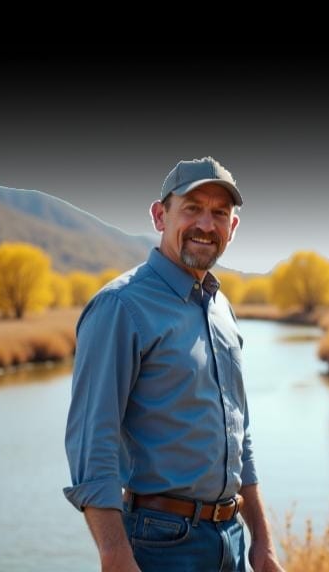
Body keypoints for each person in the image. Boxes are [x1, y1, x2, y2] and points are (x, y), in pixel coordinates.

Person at [63, 157, 286, 572]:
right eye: (192, 208)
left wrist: (263, 542)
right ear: (160, 215)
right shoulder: (120, 307)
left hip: (231, 539)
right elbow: (93, 443)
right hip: (160, 543)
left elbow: (241, 438)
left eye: (220, 213)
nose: (206, 224)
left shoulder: (222, 309)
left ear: (232, 228)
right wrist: (114, 555)